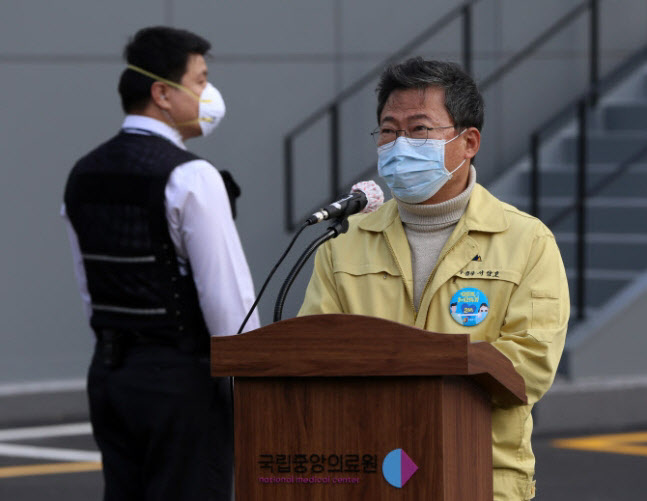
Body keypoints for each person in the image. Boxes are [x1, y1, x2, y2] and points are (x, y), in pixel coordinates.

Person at [298, 57, 569, 500]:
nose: (400, 143)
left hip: (479, 473)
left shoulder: (526, 240)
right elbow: (315, 354)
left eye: (420, 129)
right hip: (368, 473)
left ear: (468, 142)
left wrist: (402, 367)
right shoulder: (344, 242)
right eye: (389, 130)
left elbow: (529, 367)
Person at [62, 26, 259, 501]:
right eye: (200, 80)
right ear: (162, 93)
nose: (208, 93)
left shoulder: (83, 174)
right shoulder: (191, 175)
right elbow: (228, 304)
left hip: (110, 375)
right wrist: (253, 381)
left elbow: (91, 288)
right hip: (180, 380)